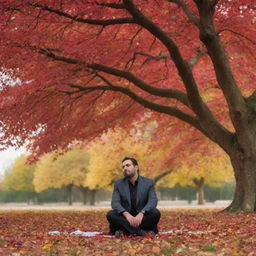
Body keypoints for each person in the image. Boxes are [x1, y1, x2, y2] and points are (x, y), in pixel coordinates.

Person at [106, 157, 161, 238]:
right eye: (123, 166)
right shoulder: (118, 183)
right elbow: (115, 202)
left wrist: (142, 213)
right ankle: (141, 232)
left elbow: (153, 200)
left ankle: (126, 231)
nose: (125, 168)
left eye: (128, 165)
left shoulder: (148, 182)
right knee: (111, 214)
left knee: (155, 213)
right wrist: (126, 214)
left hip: (142, 218)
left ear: (136, 167)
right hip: (125, 218)